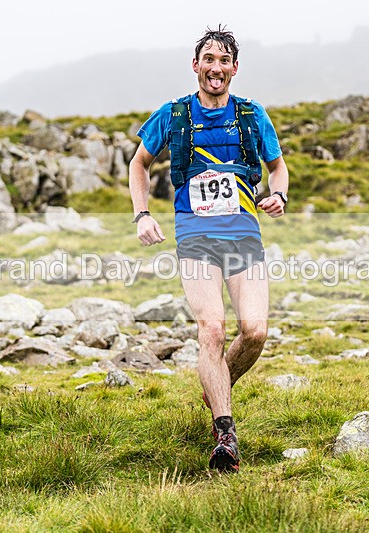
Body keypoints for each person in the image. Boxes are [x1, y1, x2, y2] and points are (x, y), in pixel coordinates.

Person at [129, 26, 289, 472]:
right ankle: (225, 434)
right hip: (195, 238)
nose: (215, 68)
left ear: (235, 68)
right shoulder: (174, 114)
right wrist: (143, 214)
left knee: (254, 331)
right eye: (208, 60)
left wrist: (280, 195)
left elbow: (278, 169)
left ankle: (215, 382)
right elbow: (138, 164)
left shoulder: (252, 115)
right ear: (195, 65)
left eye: (224, 61)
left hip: (244, 236)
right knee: (212, 330)